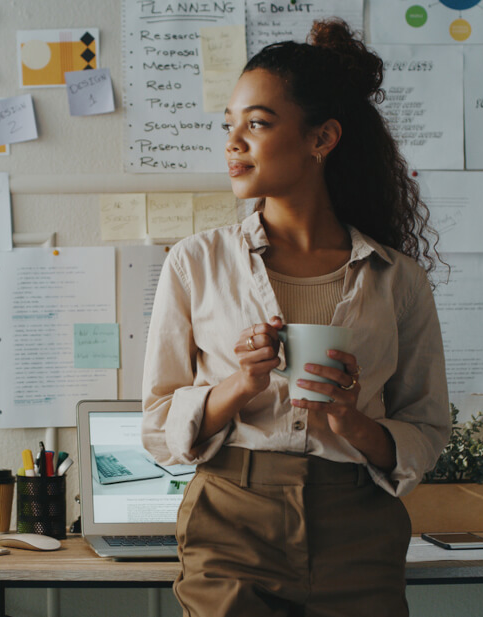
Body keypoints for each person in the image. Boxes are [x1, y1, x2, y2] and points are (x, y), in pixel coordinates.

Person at [141, 19, 452, 617]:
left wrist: (351, 422)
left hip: (360, 529)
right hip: (231, 523)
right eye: (228, 125)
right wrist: (241, 384)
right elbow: (158, 423)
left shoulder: (397, 277)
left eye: (256, 124)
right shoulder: (195, 262)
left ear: (322, 138)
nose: (233, 143)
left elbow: (428, 427)